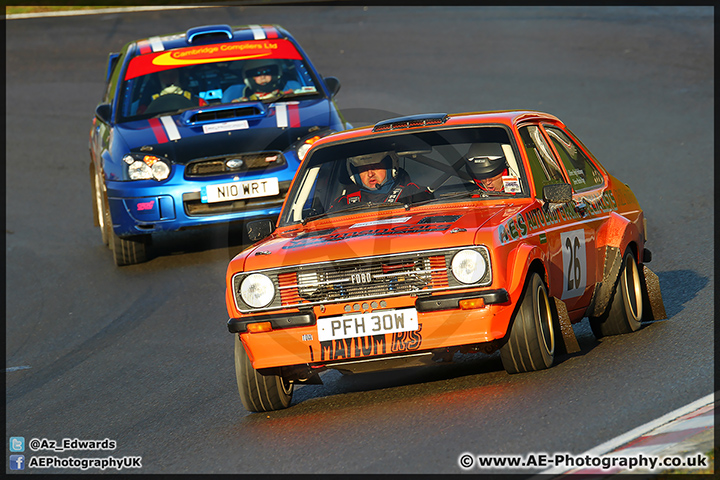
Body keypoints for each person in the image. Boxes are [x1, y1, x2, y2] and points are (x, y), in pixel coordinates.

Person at [332, 151, 432, 208]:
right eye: (363, 169)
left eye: (376, 167)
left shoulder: (414, 194)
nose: (370, 174)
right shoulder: (344, 203)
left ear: (390, 168)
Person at [222, 59, 301, 103]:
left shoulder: (292, 94)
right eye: (257, 74)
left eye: (267, 72)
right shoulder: (240, 102)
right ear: (249, 78)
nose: (263, 77)